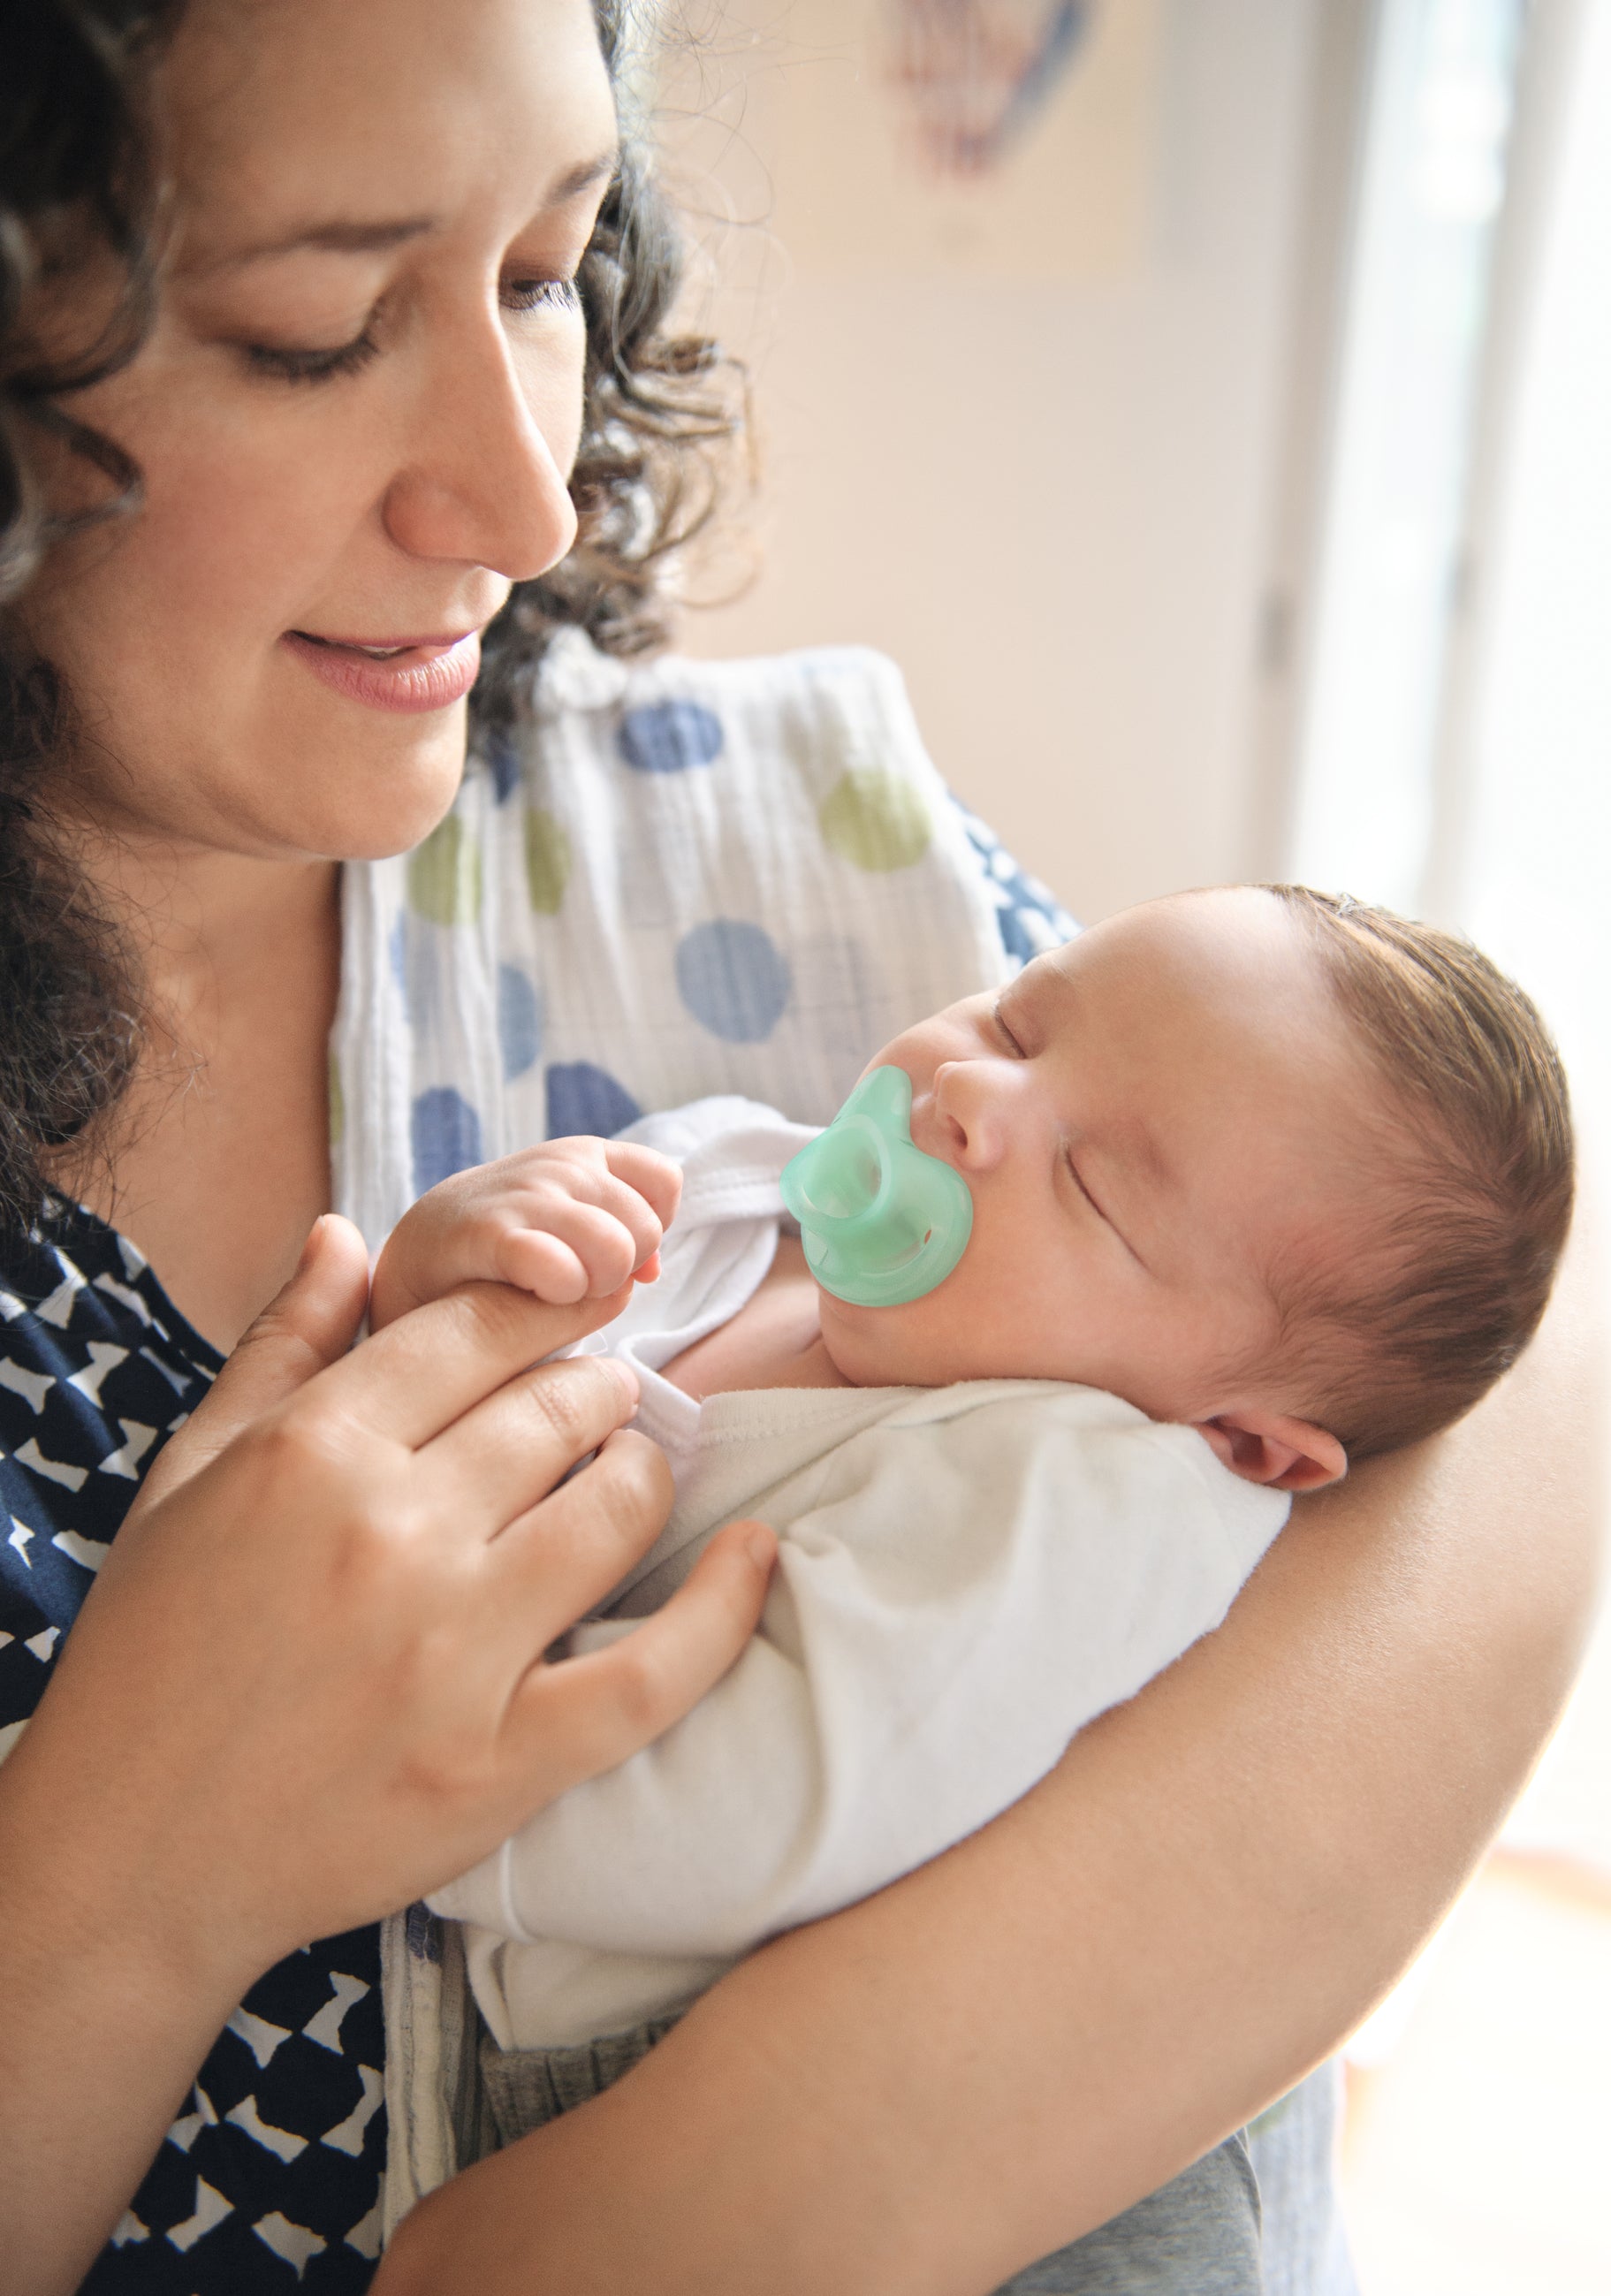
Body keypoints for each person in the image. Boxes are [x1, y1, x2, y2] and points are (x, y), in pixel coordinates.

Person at [0, 5, 1595, 2296]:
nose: (524, 502)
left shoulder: (775, 843)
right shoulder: (873, 1119)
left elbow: (1469, 1317)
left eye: (548, 274)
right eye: (318, 329)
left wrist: (803, 2150)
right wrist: (125, 1872)